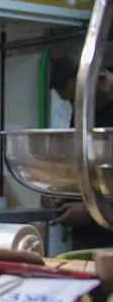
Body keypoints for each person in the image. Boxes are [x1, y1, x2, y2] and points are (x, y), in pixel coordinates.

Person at [46, 55, 113, 250]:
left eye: (77, 98)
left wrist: (92, 210)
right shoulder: (85, 112)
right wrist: (60, 189)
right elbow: (80, 162)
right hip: (87, 236)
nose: (76, 107)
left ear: (100, 81)